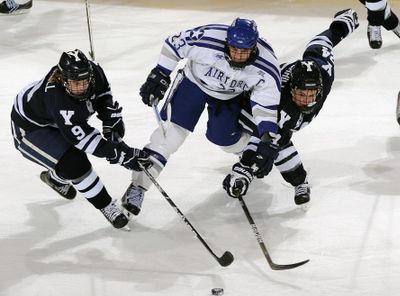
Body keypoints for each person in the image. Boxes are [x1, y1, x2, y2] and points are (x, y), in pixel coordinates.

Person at [121, 18, 282, 216]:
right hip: (193, 83)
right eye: (234, 49)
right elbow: (174, 43)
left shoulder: (267, 65)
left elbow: (265, 105)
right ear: (226, 43)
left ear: (254, 47)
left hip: (228, 97)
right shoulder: (208, 37)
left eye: (245, 51)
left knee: (224, 139)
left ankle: (245, 153)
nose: (239, 55)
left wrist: (265, 139)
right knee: (170, 135)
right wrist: (160, 73)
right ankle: (138, 187)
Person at [222, 9, 359, 208]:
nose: (305, 100)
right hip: (253, 104)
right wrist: (245, 171)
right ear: (292, 89)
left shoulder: (324, 71)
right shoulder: (279, 99)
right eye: (301, 94)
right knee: (272, 139)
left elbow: (322, 42)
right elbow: (268, 140)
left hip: (285, 114)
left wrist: (343, 23)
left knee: (276, 140)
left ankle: (297, 180)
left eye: (311, 95)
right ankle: (299, 181)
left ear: (319, 89)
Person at [10, 49, 152, 228]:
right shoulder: (57, 98)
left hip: (54, 118)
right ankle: (107, 206)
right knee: (75, 165)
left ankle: (55, 178)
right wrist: (122, 154)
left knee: (69, 164)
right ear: (62, 79)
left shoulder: (95, 71)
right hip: (30, 128)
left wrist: (109, 117)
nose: (81, 87)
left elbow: (103, 95)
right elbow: (85, 140)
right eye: (75, 83)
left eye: (84, 81)